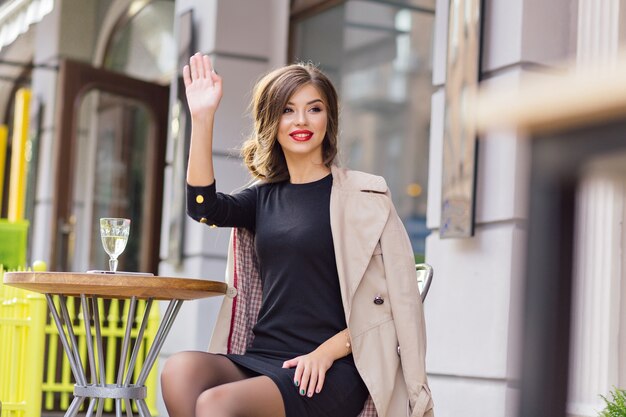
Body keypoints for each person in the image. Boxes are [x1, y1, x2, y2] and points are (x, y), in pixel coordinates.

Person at [160, 52, 434, 417]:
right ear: (271, 121)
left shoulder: (365, 198)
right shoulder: (262, 198)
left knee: (216, 404)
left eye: (314, 108)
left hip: (331, 367)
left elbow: (398, 305)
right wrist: (202, 116)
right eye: (288, 110)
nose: (301, 120)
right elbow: (202, 207)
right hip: (263, 357)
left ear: (329, 118)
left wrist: (326, 353)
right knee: (179, 370)